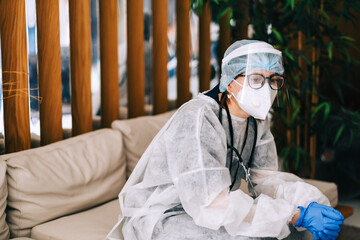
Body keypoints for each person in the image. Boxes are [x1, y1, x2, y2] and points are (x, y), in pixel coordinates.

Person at [108, 40, 344, 240]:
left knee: (288, 230)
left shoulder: (256, 120)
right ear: (230, 81)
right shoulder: (199, 117)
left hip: (207, 207)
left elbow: (266, 180)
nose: (267, 88)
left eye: (273, 79)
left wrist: (307, 203)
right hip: (166, 214)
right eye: (256, 79)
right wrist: (292, 214)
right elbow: (210, 202)